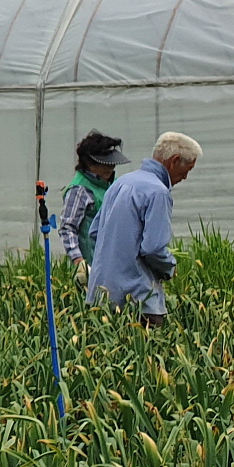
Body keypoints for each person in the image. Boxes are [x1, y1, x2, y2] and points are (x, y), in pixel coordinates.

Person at [90, 131, 200, 328]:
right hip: (138, 299)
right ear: (174, 161)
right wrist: (170, 267)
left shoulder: (120, 183)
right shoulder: (157, 191)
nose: (185, 177)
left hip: (101, 297)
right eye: (187, 170)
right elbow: (153, 249)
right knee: (147, 353)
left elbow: (95, 232)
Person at [59, 130, 130, 300]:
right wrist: (78, 261)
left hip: (111, 263)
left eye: (112, 163)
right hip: (91, 265)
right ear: (89, 164)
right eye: (106, 164)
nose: (111, 168)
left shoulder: (109, 184)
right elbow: (67, 227)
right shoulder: (79, 190)